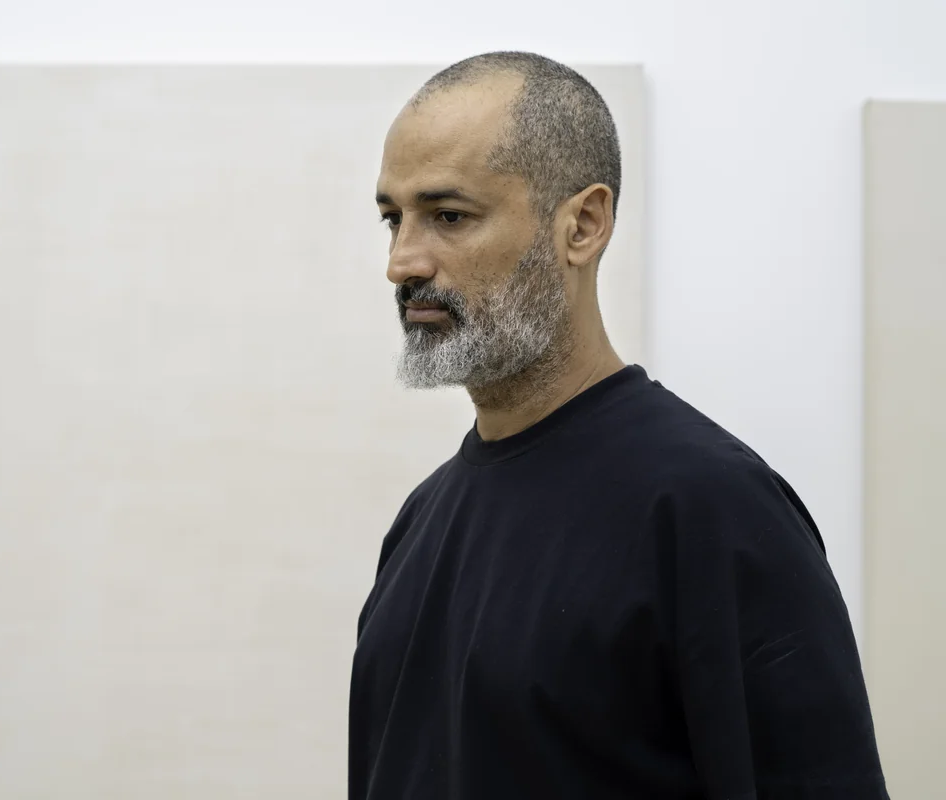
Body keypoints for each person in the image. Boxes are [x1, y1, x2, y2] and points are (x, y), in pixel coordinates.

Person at [348, 52, 888, 800]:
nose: (403, 262)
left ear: (583, 225)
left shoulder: (712, 508)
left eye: (448, 216)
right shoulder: (420, 522)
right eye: (393, 218)